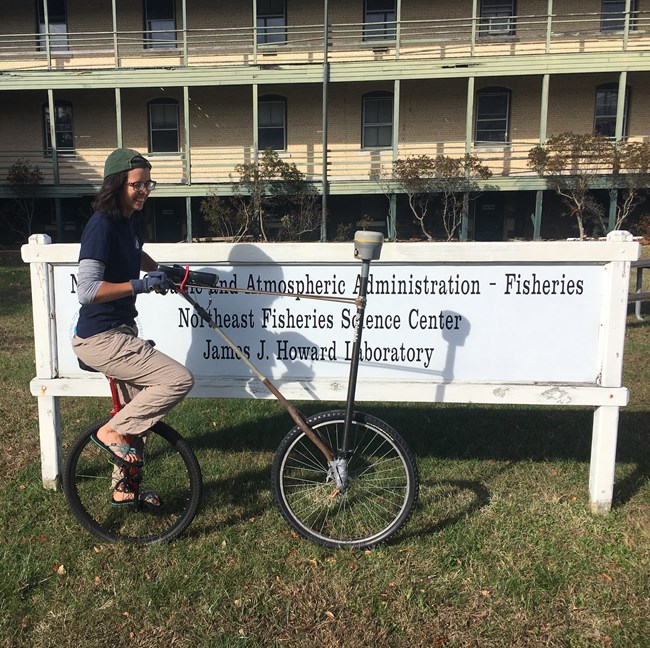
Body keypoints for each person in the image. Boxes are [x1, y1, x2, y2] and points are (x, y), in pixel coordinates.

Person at [72, 148, 194, 506]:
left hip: (120, 330)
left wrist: (160, 271)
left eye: (148, 184)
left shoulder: (127, 221)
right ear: (117, 185)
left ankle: (124, 488)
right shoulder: (101, 226)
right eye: (137, 185)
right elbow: (88, 290)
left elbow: (135, 251)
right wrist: (138, 285)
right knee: (177, 380)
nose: (144, 191)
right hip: (99, 337)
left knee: (138, 414)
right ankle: (111, 431)